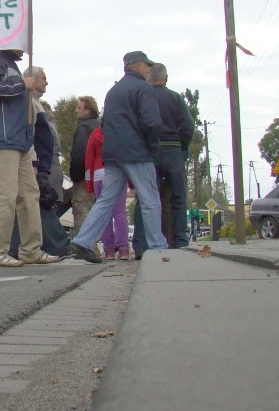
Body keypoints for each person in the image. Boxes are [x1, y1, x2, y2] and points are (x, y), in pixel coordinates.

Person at [69, 51, 168, 263]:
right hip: (138, 153)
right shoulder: (143, 88)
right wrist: (151, 146)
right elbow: (152, 122)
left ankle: (83, 240)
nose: (148, 70)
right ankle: (157, 246)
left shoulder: (112, 92)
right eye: (146, 66)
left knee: (105, 200)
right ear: (138, 66)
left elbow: (105, 124)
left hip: (113, 155)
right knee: (150, 198)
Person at [0, 49, 56, 266]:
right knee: (5, 195)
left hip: (20, 141)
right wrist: (22, 84)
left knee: (29, 195)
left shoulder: (11, 64)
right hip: (2, 138)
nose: (23, 47)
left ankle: (31, 249)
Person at [132, 62, 195, 254]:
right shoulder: (176, 98)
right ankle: (180, 241)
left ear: (149, 78)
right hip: (174, 150)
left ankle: (142, 246)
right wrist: (182, 147)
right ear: (166, 78)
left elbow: (137, 125)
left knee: (145, 198)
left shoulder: (143, 97)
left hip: (149, 152)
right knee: (178, 197)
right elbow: (188, 127)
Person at [8, 67, 66, 260]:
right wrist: (37, 164)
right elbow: (34, 137)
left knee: (32, 204)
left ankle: (18, 248)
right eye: (43, 78)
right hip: (34, 162)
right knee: (35, 203)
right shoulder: (28, 104)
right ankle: (55, 246)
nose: (46, 82)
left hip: (37, 161)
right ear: (30, 79)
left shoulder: (34, 104)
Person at [84, 125, 130, 260]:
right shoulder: (121, 130)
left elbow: (88, 158)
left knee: (105, 213)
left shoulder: (95, 133)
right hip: (119, 172)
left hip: (99, 173)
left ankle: (109, 251)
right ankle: (124, 249)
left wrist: (89, 183)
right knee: (120, 211)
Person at [70, 96, 101, 235]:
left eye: (79, 107)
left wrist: (75, 175)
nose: (76, 111)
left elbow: (80, 153)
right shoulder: (100, 126)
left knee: (82, 209)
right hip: (99, 173)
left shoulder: (83, 128)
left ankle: (84, 246)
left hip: (84, 176)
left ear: (88, 110)